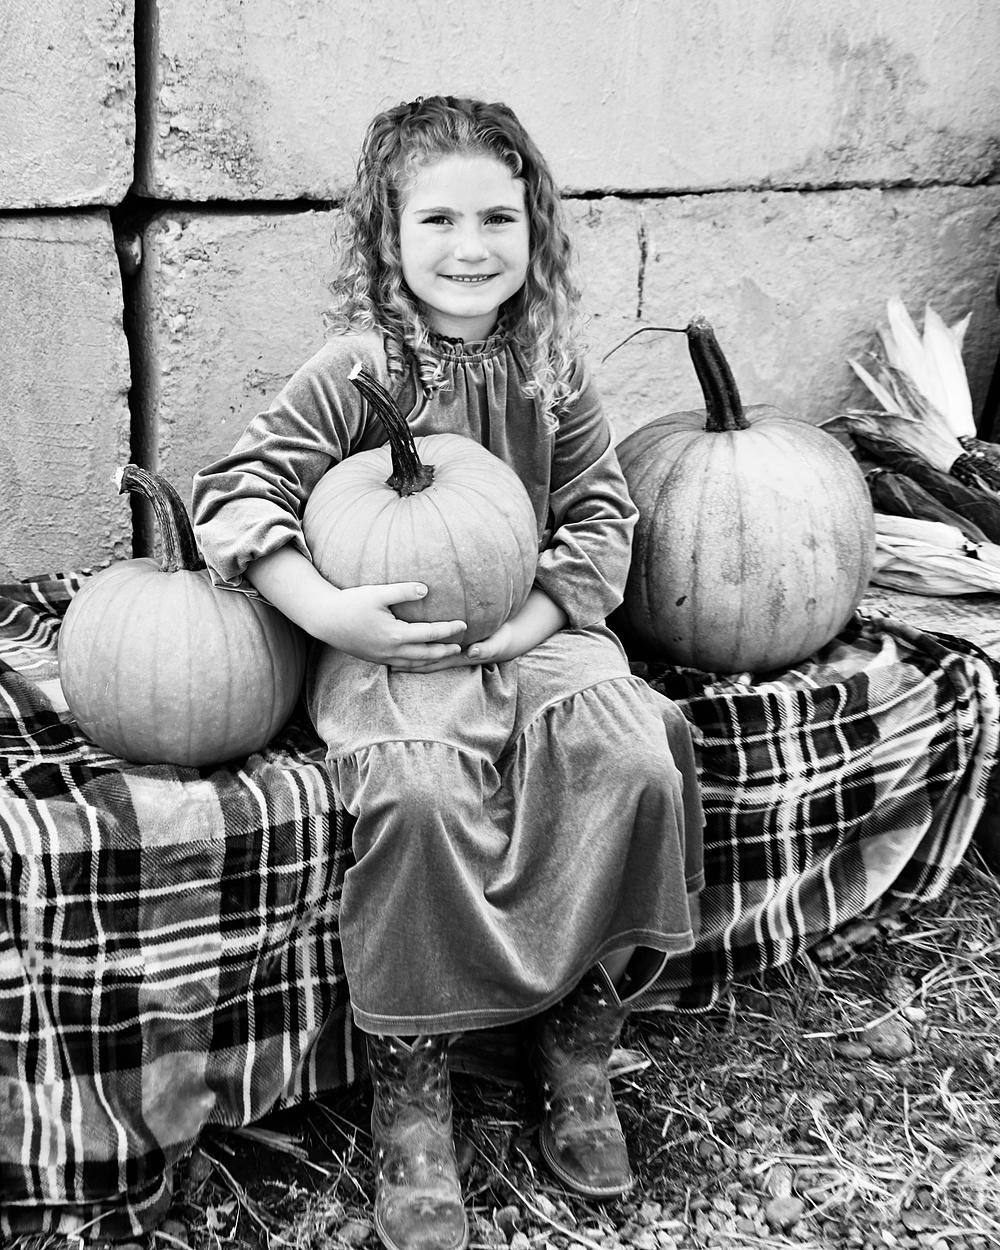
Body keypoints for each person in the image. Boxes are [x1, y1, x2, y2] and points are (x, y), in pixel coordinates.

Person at [192, 94, 704, 1250]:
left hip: (534, 635)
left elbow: (601, 516)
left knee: (635, 754)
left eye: (497, 219)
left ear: (536, 230)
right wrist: (328, 609)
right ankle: (414, 1094)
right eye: (436, 219)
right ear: (386, 235)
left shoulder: (551, 370)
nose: (470, 247)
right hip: (393, 652)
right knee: (418, 795)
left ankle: (576, 1039)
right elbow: (236, 493)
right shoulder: (355, 370)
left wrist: (534, 617)